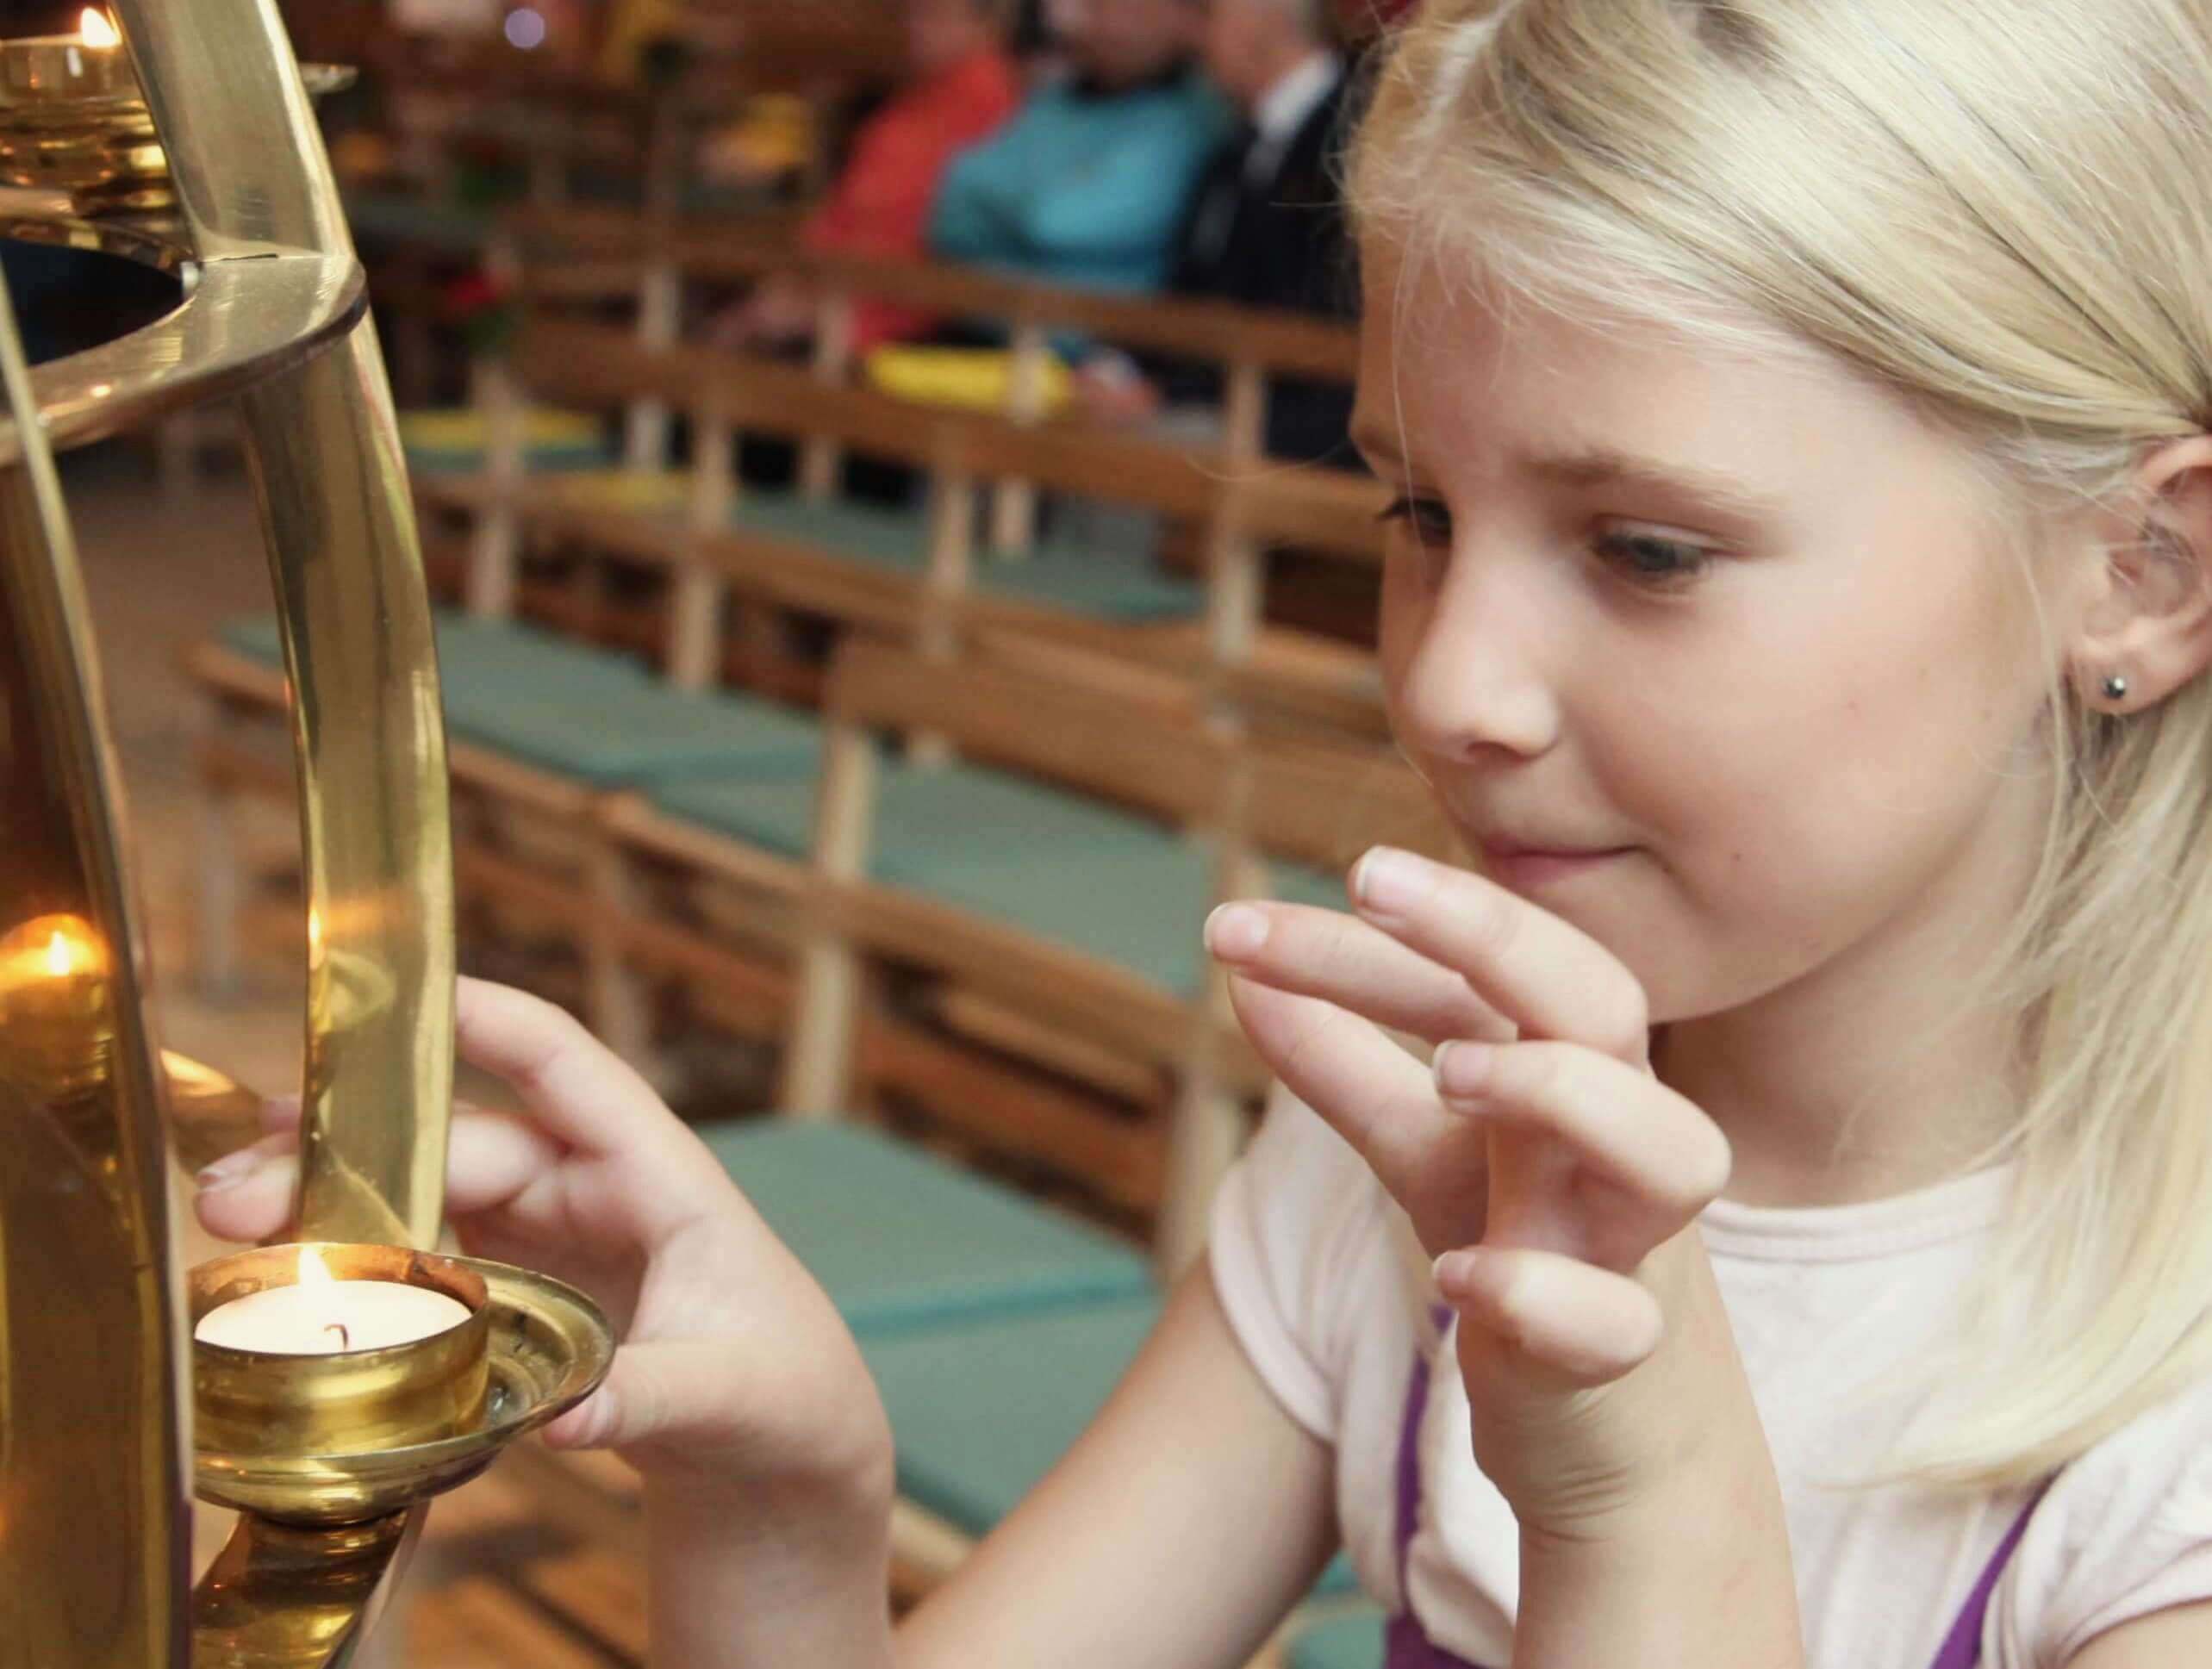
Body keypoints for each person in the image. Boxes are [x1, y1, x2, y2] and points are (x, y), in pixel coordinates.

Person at [197, 3, 2212, 1664]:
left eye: (1645, 547)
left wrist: (1643, 1497)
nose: (1449, 688)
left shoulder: (2156, 1439)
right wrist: (785, 1493)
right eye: (1415, 516)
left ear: (2136, 567)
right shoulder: (1422, 1135)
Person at [1078, 0, 1358, 465]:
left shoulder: (1351, 131)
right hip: (1225, 385)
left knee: (1132, 450)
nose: (1194, 36)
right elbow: (1196, 284)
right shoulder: (1237, 143)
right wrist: (1123, 364)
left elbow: (1314, 312)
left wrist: (1166, 393)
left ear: (1267, 26)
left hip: (1301, 413)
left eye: (1209, 15)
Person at [713, 0, 1021, 355]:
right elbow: (845, 208)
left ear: (985, 26)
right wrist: (797, 280)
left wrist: (826, 305)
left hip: (897, 307)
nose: (916, 28)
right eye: (914, 15)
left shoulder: (990, 103)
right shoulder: (914, 97)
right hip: (833, 285)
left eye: (934, 16)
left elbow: (939, 235)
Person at [925, 0, 1234, 296]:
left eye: (1136, 9)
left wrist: (1004, 210)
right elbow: (951, 206)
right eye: (1099, 5)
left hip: (1098, 342)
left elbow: (1052, 221)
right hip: (980, 322)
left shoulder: (1196, 117)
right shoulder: (1054, 100)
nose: (1112, 25)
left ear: (1186, 19)